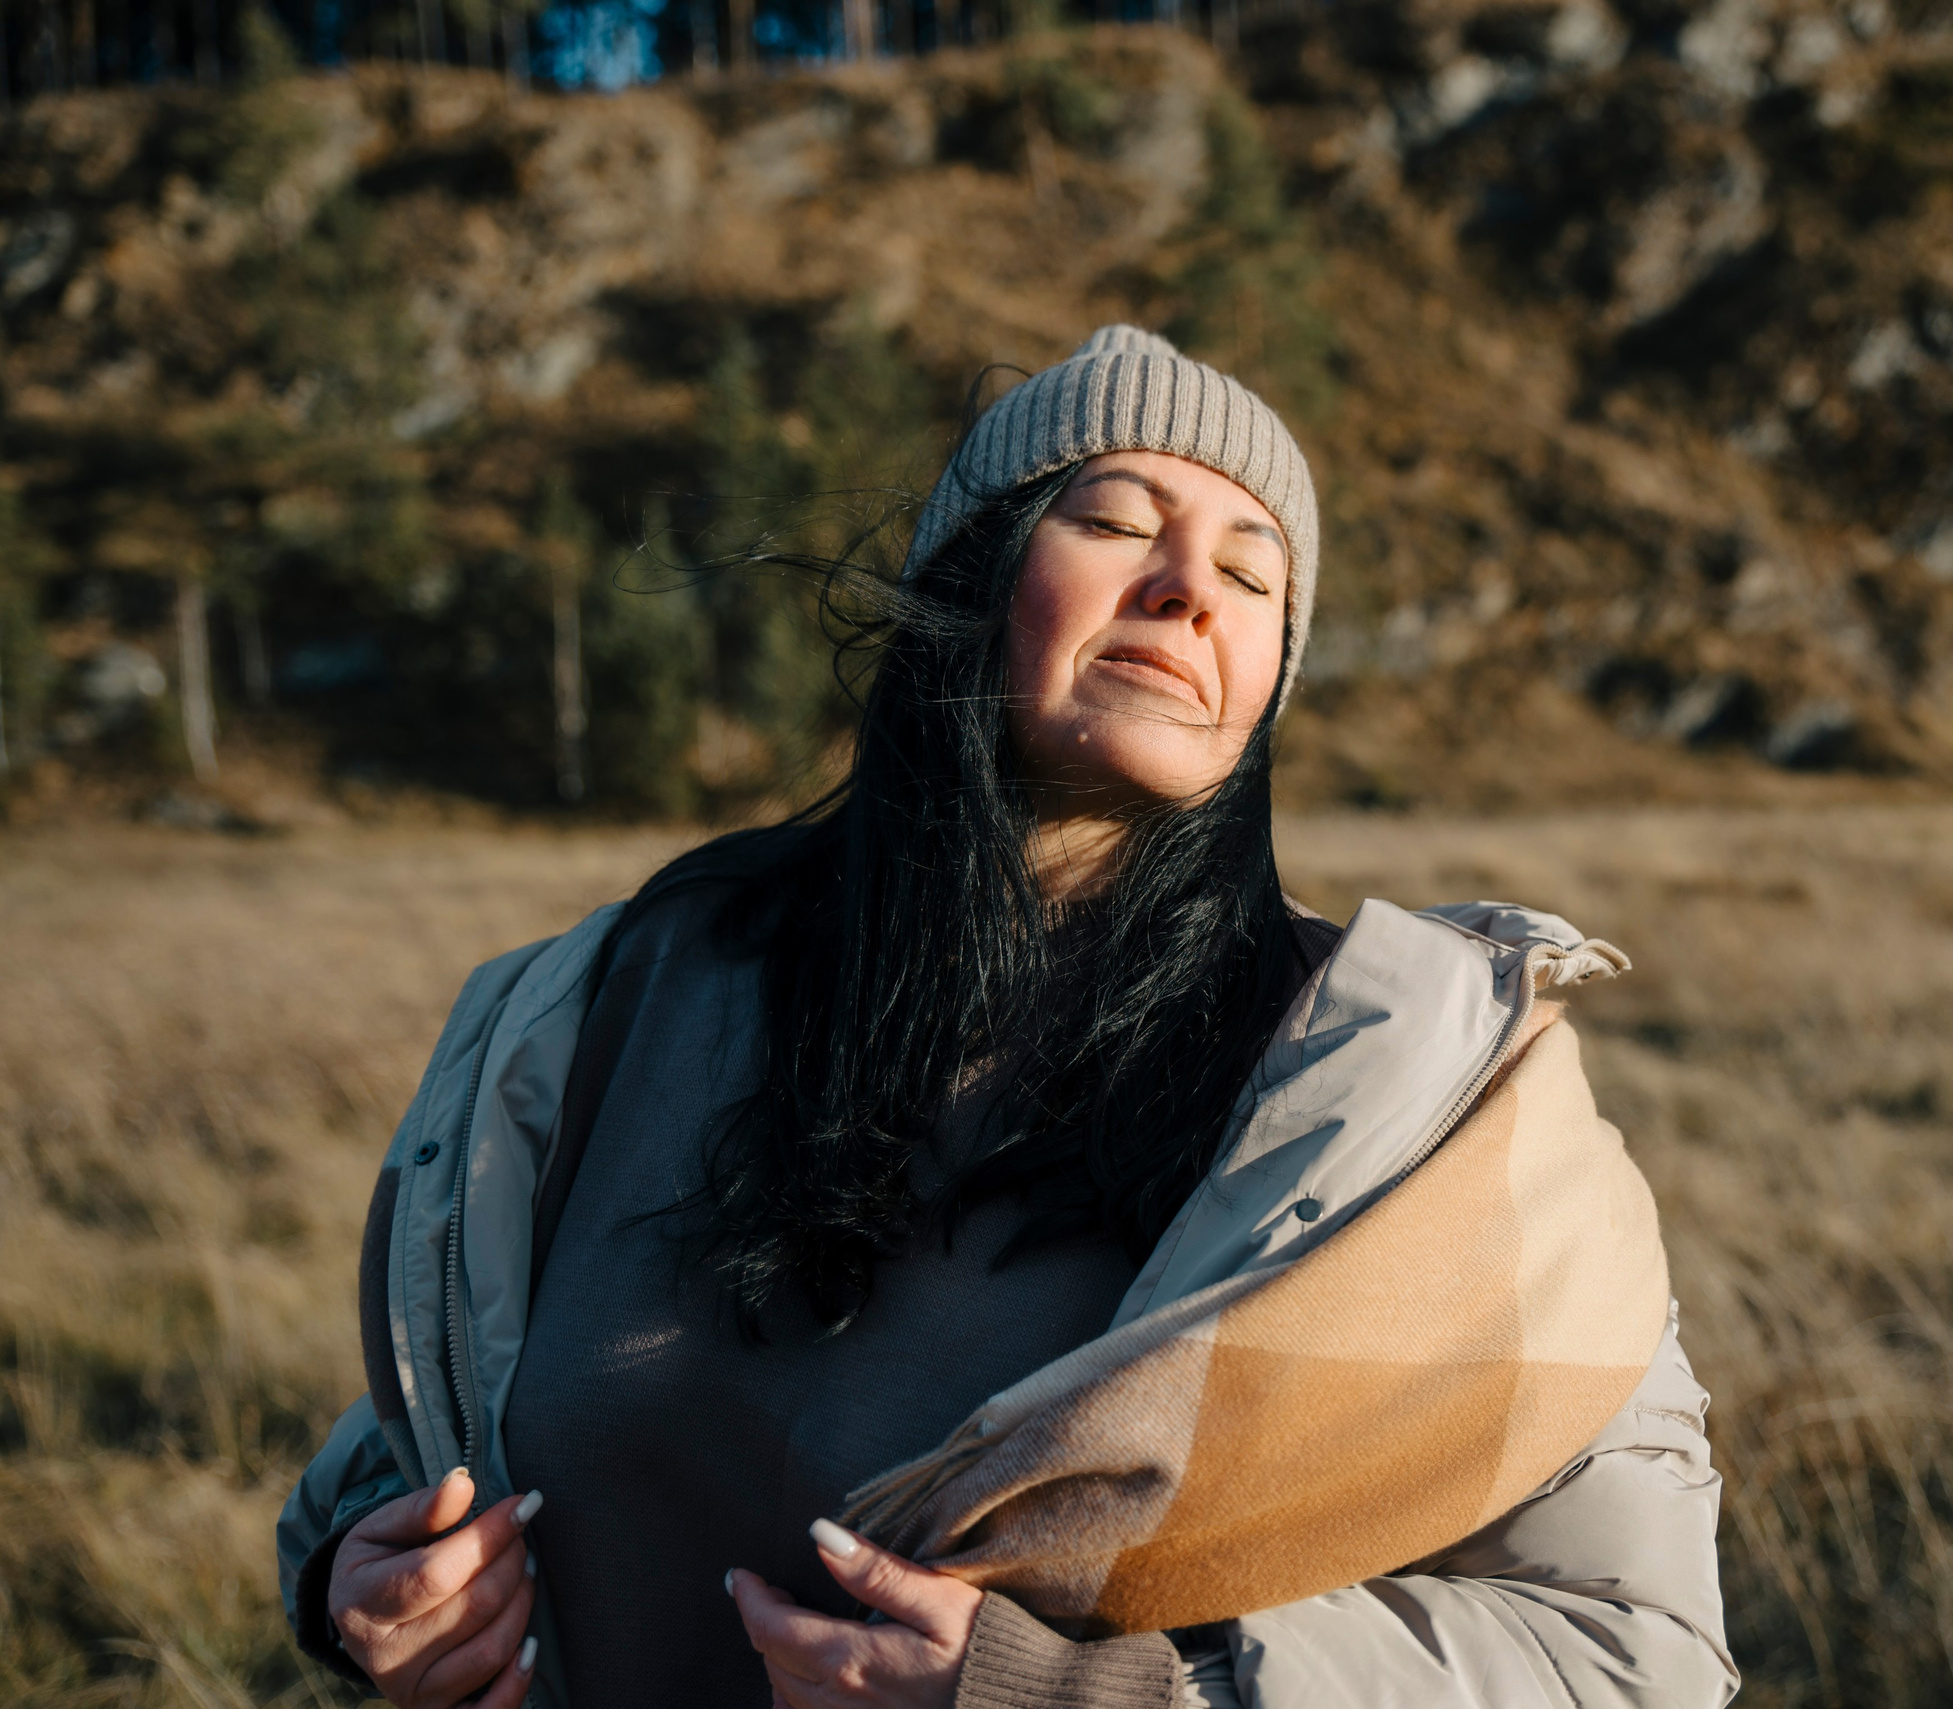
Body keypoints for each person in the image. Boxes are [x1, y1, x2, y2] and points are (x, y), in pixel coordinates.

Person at [276, 326, 1739, 1709]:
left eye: (1254, 569)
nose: (1187, 587)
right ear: (970, 574)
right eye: (1114, 520)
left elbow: (1631, 1649)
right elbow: (429, 1419)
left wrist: (1097, 1698)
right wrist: (366, 1573)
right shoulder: (628, 990)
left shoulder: (1394, 1096)